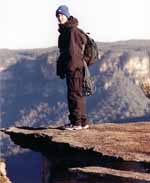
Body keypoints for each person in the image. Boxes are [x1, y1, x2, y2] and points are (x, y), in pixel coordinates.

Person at [56, 5, 89, 130]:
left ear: (67, 15)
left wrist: (70, 68)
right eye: (58, 16)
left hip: (74, 69)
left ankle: (76, 123)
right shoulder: (69, 30)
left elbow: (73, 53)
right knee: (78, 94)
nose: (59, 18)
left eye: (62, 15)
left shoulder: (71, 31)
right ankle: (82, 121)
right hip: (76, 68)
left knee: (73, 95)